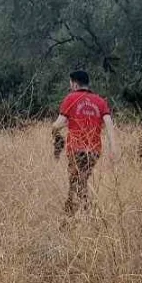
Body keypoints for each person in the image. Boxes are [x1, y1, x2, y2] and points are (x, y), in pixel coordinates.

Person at [52, 70, 118, 215]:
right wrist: (113, 148)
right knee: (80, 180)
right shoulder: (100, 101)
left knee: (77, 181)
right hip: (94, 150)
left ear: (75, 84)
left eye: (70, 84)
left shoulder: (71, 98)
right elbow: (109, 124)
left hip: (75, 149)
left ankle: (83, 213)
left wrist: (55, 130)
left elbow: (59, 124)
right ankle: (77, 213)